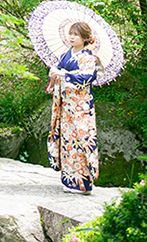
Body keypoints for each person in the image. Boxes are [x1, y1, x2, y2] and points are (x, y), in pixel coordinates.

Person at [46, 21, 99, 194]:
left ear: (85, 38)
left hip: (80, 108)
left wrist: (64, 74)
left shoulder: (89, 58)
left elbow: (87, 77)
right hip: (65, 106)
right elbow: (58, 74)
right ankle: (69, 181)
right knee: (66, 142)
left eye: (76, 34)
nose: (72, 37)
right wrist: (53, 77)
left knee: (80, 140)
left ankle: (84, 184)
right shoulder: (65, 55)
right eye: (70, 33)